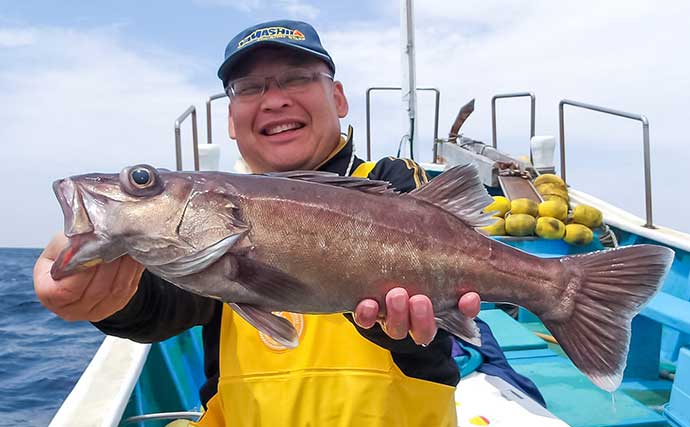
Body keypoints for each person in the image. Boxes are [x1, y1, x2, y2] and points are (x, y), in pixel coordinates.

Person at [34, 20, 541, 426]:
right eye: (249, 87)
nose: (274, 98)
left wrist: (404, 331)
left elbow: (429, 344)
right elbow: (166, 306)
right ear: (232, 122)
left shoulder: (393, 181)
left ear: (338, 99)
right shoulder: (200, 238)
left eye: (297, 78)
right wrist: (108, 298)